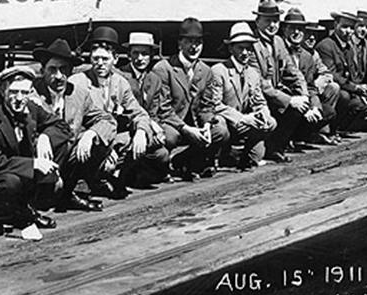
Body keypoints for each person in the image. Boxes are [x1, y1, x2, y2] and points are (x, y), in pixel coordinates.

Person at [0, 66, 60, 239]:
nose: (19, 98)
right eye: (14, 92)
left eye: (25, 92)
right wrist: (35, 164)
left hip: (14, 170)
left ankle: (23, 210)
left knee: (58, 154)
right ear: (3, 91)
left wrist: (45, 137)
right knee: (12, 181)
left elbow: (60, 126)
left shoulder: (30, 108)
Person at [68, 26, 156, 199]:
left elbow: (139, 113)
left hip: (110, 138)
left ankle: (109, 176)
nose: (100, 63)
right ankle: (84, 181)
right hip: (86, 140)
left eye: (105, 59)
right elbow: (72, 122)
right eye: (96, 58)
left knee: (137, 138)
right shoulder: (78, 82)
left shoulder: (120, 83)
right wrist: (103, 145)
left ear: (115, 59)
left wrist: (140, 132)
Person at [29, 38, 105, 213]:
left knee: (95, 142)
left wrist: (90, 134)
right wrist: (42, 138)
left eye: (64, 70)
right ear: (42, 71)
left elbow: (105, 120)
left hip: (66, 160)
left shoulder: (79, 94)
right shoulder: (31, 93)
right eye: (52, 70)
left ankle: (68, 192)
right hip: (38, 160)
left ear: (70, 71)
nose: (58, 76)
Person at [152, 18, 228, 179]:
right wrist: (186, 129)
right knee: (169, 136)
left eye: (198, 42)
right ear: (180, 43)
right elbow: (163, 108)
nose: (194, 47)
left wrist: (207, 125)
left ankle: (185, 160)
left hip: (195, 123)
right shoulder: (164, 69)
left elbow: (207, 106)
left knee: (220, 131)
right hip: (172, 123)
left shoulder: (206, 70)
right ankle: (163, 167)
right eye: (189, 41)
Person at [249, 0, 311, 162]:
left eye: (275, 21)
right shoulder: (252, 44)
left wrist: (304, 95)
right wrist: (290, 100)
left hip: (275, 96)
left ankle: (277, 147)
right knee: (255, 155)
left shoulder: (278, 41)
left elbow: (293, 71)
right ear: (257, 21)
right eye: (268, 20)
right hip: (258, 99)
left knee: (300, 106)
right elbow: (259, 83)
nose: (272, 25)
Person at [210, 23, 276, 169]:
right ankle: (217, 156)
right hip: (228, 121)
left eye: (249, 48)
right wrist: (242, 118)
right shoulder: (219, 71)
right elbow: (215, 104)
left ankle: (243, 155)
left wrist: (264, 114)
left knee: (271, 123)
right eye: (241, 48)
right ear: (231, 48)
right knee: (219, 126)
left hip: (244, 123)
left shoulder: (253, 73)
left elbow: (259, 100)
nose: (245, 53)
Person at [117, 32, 174, 187]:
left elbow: (154, 111)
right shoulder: (121, 76)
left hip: (146, 127)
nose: (140, 58)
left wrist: (155, 129)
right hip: (126, 127)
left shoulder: (154, 79)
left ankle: (143, 171)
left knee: (163, 153)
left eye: (145, 54)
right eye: (135, 53)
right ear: (129, 55)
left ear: (151, 56)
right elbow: (122, 111)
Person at [280, 8, 336, 145]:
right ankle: (283, 140)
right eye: (292, 28)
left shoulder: (307, 56)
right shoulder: (279, 50)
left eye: (300, 29)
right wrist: (298, 102)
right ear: (284, 29)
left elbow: (311, 86)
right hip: (285, 101)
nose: (297, 32)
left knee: (327, 112)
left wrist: (315, 107)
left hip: (303, 101)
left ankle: (300, 136)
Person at [316, 11, 367, 132]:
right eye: (344, 27)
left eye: (351, 28)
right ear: (335, 24)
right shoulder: (326, 45)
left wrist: (360, 89)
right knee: (344, 96)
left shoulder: (348, 47)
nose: (348, 31)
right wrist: (355, 88)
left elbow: (351, 73)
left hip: (345, 86)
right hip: (327, 90)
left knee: (363, 103)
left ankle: (341, 128)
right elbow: (331, 74)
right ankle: (331, 128)